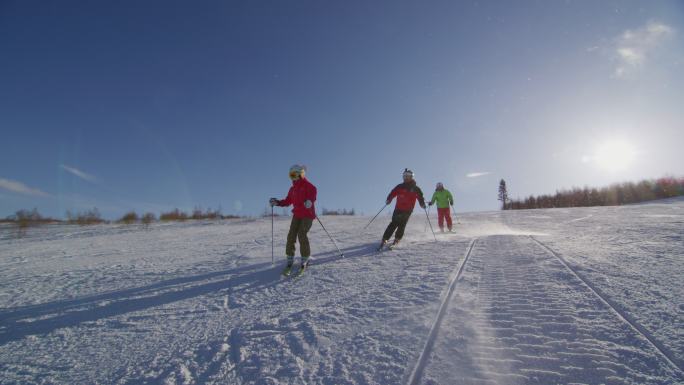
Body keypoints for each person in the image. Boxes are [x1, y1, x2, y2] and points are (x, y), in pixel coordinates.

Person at [270, 164, 317, 275]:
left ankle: (305, 257)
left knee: (301, 233)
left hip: (307, 215)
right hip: (297, 215)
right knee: (291, 235)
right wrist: (277, 202)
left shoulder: (309, 186)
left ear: (300, 174)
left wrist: (309, 202)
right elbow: (287, 201)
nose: (292, 177)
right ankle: (290, 257)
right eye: (290, 175)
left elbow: (313, 195)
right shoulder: (292, 189)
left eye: (293, 175)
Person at [379, 168, 426, 250]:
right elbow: (393, 192)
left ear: (412, 177)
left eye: (408, 176)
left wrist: (422, 204)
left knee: (402, 224)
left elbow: (420, 197)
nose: (406, 178)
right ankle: (385, 239)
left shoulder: (415, 188)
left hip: (408, 210)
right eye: (404, 176)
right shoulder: (400, 186)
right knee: (393, 223)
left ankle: (397, 239)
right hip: (398, 208)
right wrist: (389, 199)